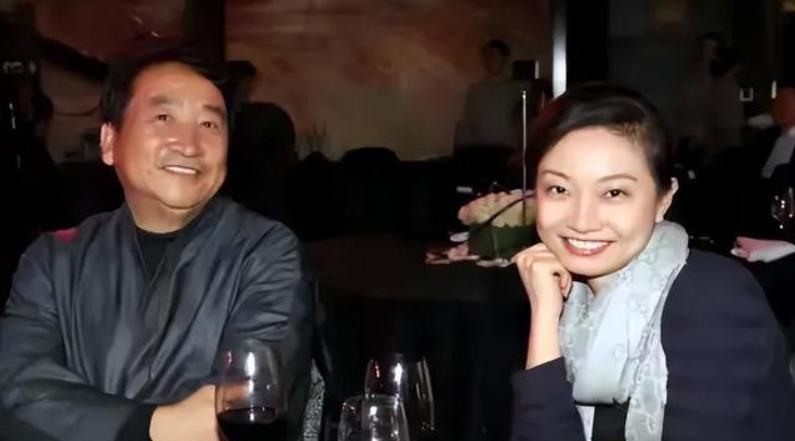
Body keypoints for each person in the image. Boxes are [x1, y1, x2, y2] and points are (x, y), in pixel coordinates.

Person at [0, 53, 314, 441]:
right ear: (109, 141)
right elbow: (14, 390)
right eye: (164, 117)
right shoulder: (54, 260)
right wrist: (156, 425)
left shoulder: (265, 252)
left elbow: (245, 404)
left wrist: (74, 413)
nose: (190, 145)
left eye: (209, 124)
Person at [511, 84, 795, 441]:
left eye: (614, 192)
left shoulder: (714, 301)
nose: (582, 220)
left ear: (664, 199)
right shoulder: (567, 295)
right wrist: (544, 318)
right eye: (559, 189)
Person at [455, 39, 519, 149]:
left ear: (504, 59)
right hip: (478, 148)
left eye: (494, 56)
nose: (489, 61)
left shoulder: (516, 89)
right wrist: (460, 147)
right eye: (487, 56)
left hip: (506, 149)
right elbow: (467, 121)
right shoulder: (475, 89)